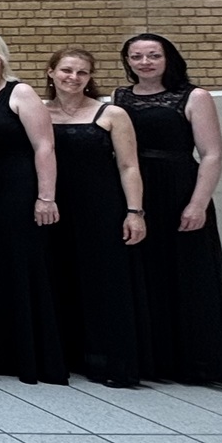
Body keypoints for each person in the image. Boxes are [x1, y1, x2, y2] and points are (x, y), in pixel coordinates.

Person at [114, 33, 222, 384]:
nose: (145, 62)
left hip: (178, 189)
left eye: (153, 55)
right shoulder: (121, 96)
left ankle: (196, 362)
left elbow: (211, 155)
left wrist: (198, 203)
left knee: (186, 274)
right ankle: (152, 359)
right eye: (137, 56)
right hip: (135, 192)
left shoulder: (194, 96)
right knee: (143, 274)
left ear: (168, 58)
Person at [0, 30, 66, 385]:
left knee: (18, 268)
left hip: (15, 190)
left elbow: (44, 146)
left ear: (2, 56)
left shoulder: (20, 93)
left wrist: (46, 197)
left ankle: (27, 354)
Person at [45, 47, 149, 386]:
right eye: (66, 70)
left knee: (104, 284)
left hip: (101, 209)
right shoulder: (39, 111)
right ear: (51, 72)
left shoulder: (111, 113)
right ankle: (66, 358)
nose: (73, 78)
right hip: (53, 210)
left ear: (90, 77)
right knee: (60, 281)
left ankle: (110, 362)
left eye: (82, 72)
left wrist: (134, 212)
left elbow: (129, 166)